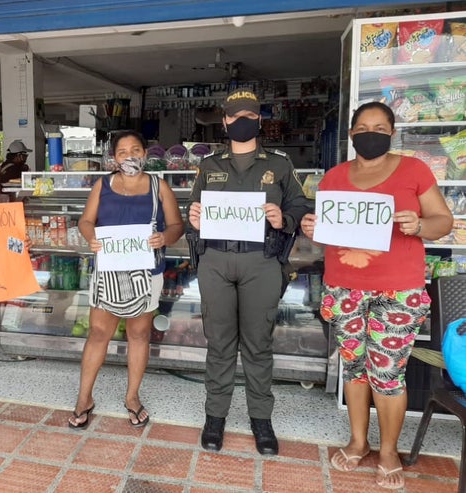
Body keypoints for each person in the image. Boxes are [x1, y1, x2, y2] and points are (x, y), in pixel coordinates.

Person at [300, 101, 453, 490]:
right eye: (364, 128)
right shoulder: (333, 178)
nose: (372, 134)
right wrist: (312, 228)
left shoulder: (413, 170)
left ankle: (388, 451)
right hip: (344, 286)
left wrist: (419, 224)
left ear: (392, 133)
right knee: (354, 369)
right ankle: (358, 441)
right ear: (352, 134)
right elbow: (327, 234)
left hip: (397, 291)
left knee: (387, 374)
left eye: (381, 128)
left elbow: (443, 222)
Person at [187, 88, 313, 455]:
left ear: (259, 120)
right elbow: (194, 207)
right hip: (216, 260)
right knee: (219, 343)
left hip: (261, 260)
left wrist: (283, 217)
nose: (242, 121)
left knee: (258, 344)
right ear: (225, 122)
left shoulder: (280, 164)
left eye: (249, 116)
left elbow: (300, 205)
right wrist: (194, 217)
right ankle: (215, 417)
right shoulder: (209, 165)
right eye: (235, 116)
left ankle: (261, 419)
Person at [69, 129, 184, 429]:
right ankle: (84, 398)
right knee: (98, 333)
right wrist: (91, 237)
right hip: (108, 271)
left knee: (139, 335)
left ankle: (132, 397)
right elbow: (85, 221)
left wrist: (164, 237)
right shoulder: (102, 185)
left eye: (135, 150)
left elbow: (177, 225)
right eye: (122, 152)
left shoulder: (159, 186)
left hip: (147, 273)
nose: (129, 156)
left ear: (145, 154)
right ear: (114, 158)